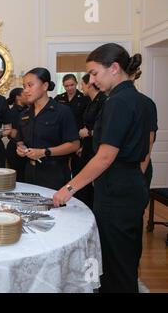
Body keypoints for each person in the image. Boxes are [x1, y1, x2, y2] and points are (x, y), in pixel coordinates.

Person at [53, 43, 151, 293]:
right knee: (125, 258)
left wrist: (69, 188)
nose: (93, 80)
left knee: (114, 262)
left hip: (116, 190)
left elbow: (105, 157)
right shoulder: (140, 99)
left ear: (115, 68)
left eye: (95, 73)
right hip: (130, 185)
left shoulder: (117, 102)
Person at [15, 68, 80, 190]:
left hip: (54, 174)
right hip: (30, 173)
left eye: (30, 85)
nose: (26, 90)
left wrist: (44, 152)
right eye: (24, 86)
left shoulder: (62, 112)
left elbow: (74, 145)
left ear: (45, 86)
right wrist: (21, 149)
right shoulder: (25, 114)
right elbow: (21, 141)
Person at [75, 74, 107, 208]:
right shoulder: (90, 101)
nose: (81, 87)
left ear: (89, 84)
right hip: (88, 146)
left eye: (82, 84)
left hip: (99, 148)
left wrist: (88, 133)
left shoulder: (104, 101)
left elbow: (105, 129)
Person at [55, 74, 89, 180]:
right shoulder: (59, 98)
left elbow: (87, 121)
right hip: (63, 140)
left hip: (78, 138)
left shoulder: (84, 99)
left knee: (78, 170)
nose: (69, 88)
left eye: (72, 85)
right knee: (61, 169)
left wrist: (83, 144)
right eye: (66, 86)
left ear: (76, 84)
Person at [5, 88, 28, 181]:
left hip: (26, 148)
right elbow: (12, 133)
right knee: (19, 178)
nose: (27, 95)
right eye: (24, 94)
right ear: (18, 97)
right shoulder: (12, 112)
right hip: (16, 149)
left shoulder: (29, 110)